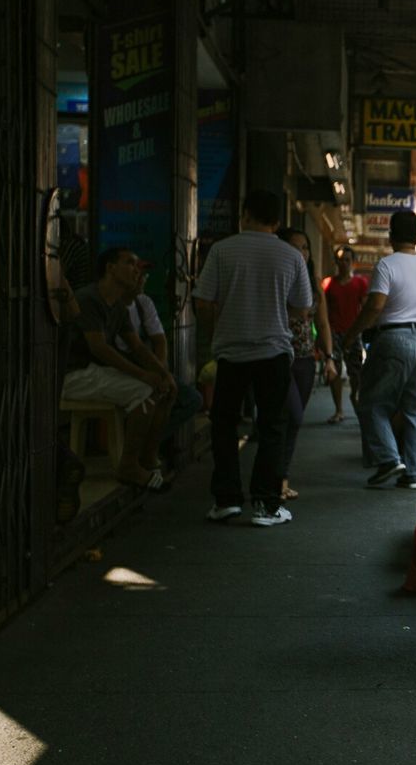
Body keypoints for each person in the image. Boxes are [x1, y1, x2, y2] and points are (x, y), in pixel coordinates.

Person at [193, 190, 312, 527]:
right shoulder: (291, 256)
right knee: (273, 426)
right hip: (273, 353)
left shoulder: (222, 250)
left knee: (224, 423)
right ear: (277, 221)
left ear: (244, 214)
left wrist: (219, 327)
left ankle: (227, 500)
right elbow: (303, 309)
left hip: (231, 352)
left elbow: (203, 301)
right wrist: (276, 319)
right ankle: (266, 504)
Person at [347, 211, 416, 489]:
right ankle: (415, 473)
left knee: (372, 402)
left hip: (394, 339)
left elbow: (375, 305)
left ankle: (388, 459)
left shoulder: (386, 265)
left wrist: (353, 333)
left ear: (391, 235)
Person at [62, 248, 177, 490]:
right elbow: (99, 348)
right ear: (110, 268)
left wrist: (163, 374)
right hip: (74, 374)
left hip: (94, 372)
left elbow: (137, 347)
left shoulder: (118, 308)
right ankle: (128, 465)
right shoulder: (89, 298)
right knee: (144, 390)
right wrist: (144, 375)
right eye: (130, 263)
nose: (137, 270)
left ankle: (146, 456)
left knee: (165, 390)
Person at [114, 266, 204, 463]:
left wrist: (163, 372)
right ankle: (139, 451)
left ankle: (146, 445)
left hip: (148, 368)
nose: (142, 279)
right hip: (120, 370)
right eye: (136, 273)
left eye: (143, 274)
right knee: (150, 394)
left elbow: (159, 340)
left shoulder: (143, 303)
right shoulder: (110, 305)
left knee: (191, 399)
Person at [278, 229, 337, 500]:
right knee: (289, 415)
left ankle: (282, 476)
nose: (300, 253)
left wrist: (328, 357)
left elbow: (322, 323)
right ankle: (273, 477)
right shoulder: (275, 276)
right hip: (276, 355)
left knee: (293, 421)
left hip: (304, 359)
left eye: (304, 248)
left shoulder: (314, 283)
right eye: (294, 247)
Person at [324, 246, 369, 427]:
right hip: (333, 333)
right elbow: (323, 311)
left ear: (353, 262)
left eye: (347, 260)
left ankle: (354, 398)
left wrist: (362, 331)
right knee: (334, 372)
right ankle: (338, 410)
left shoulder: (360, 283)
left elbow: (365, 308)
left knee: (356, 373)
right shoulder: (328, 284)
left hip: (353, 333)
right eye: (341, 260)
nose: (344, 263)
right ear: (336, 262)